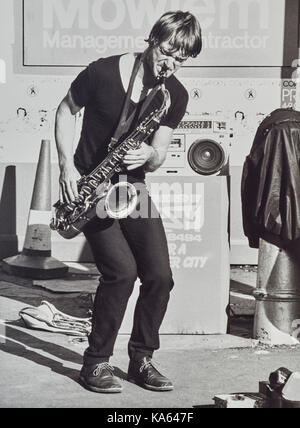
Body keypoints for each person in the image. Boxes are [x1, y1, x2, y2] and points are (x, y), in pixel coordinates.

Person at [55, 10, 202, 393]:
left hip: (131, 188)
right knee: (121, 274)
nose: (172, 64)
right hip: (92, 185)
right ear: (153, 39)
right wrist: (66, 167)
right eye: (168, 51)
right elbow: (64, 110)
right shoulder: (102, 72)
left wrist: (148, 158)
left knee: (159, 276)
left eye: (182, 59)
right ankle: (95, 363)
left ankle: (141, 359)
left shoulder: (175, 95)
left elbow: (160, 153)